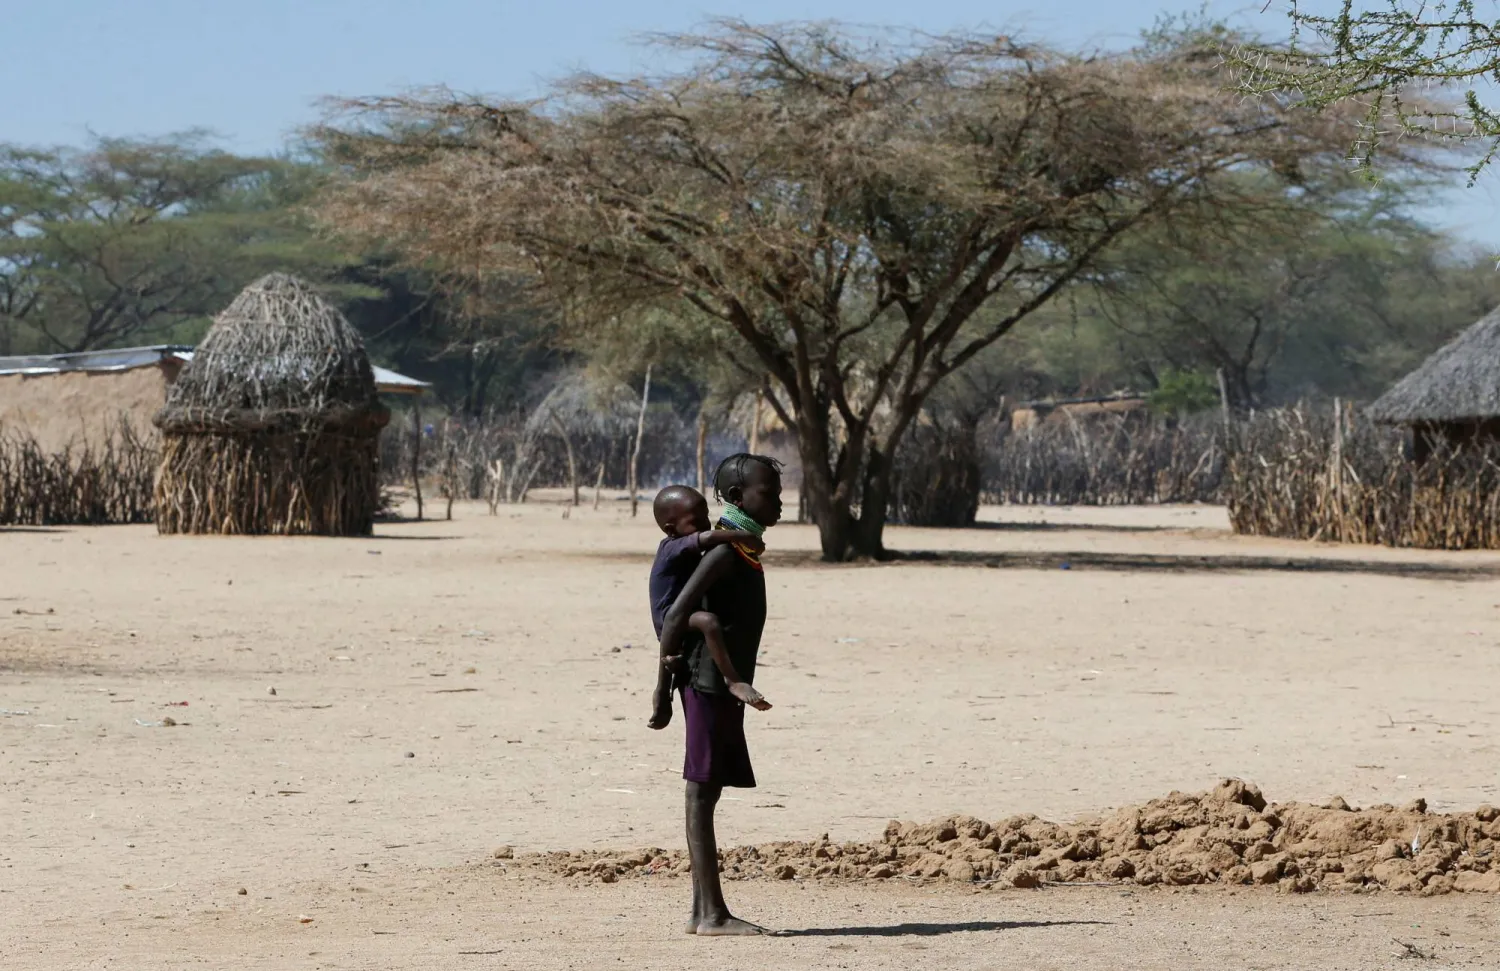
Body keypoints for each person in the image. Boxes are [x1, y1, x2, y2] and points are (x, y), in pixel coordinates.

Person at [652, 453, 784, 936]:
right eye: (767, 493)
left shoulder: (741, 550)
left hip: (721, 683)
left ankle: (702, 911)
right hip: (708, 681)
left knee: (707, 789)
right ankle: (710, 914)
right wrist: (665, 687)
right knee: (701, 791)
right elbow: (674, 619)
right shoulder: (724, 553)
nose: (779, 501)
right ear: (734, 498)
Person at [647, 485, 771, 729]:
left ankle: (671, 677)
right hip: (668, 618)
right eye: (696, 521)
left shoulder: (686, 545)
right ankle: (732, 680)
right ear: (671, 529)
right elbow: (709, 537)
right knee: (708, 622)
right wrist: (742, 536)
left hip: (682, 615)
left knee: (687, 648)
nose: (705, 525)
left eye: (706, 517)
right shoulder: (673, 546)